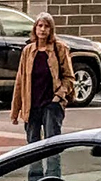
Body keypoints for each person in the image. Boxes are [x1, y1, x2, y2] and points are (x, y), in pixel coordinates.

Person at [9, 12, 75, 145]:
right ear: (35, 28)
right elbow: (20, 82)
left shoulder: (59, 48)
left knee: (52, 145)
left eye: (46, 26)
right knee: (32, 146)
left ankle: (53, 167)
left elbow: (69, 78)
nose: (43, 29)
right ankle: (35, 167)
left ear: (51, 29)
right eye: (40, 26)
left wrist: (58, 97)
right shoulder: (28, 51)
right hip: (32, 105)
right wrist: (15, 112)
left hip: (51, 104)